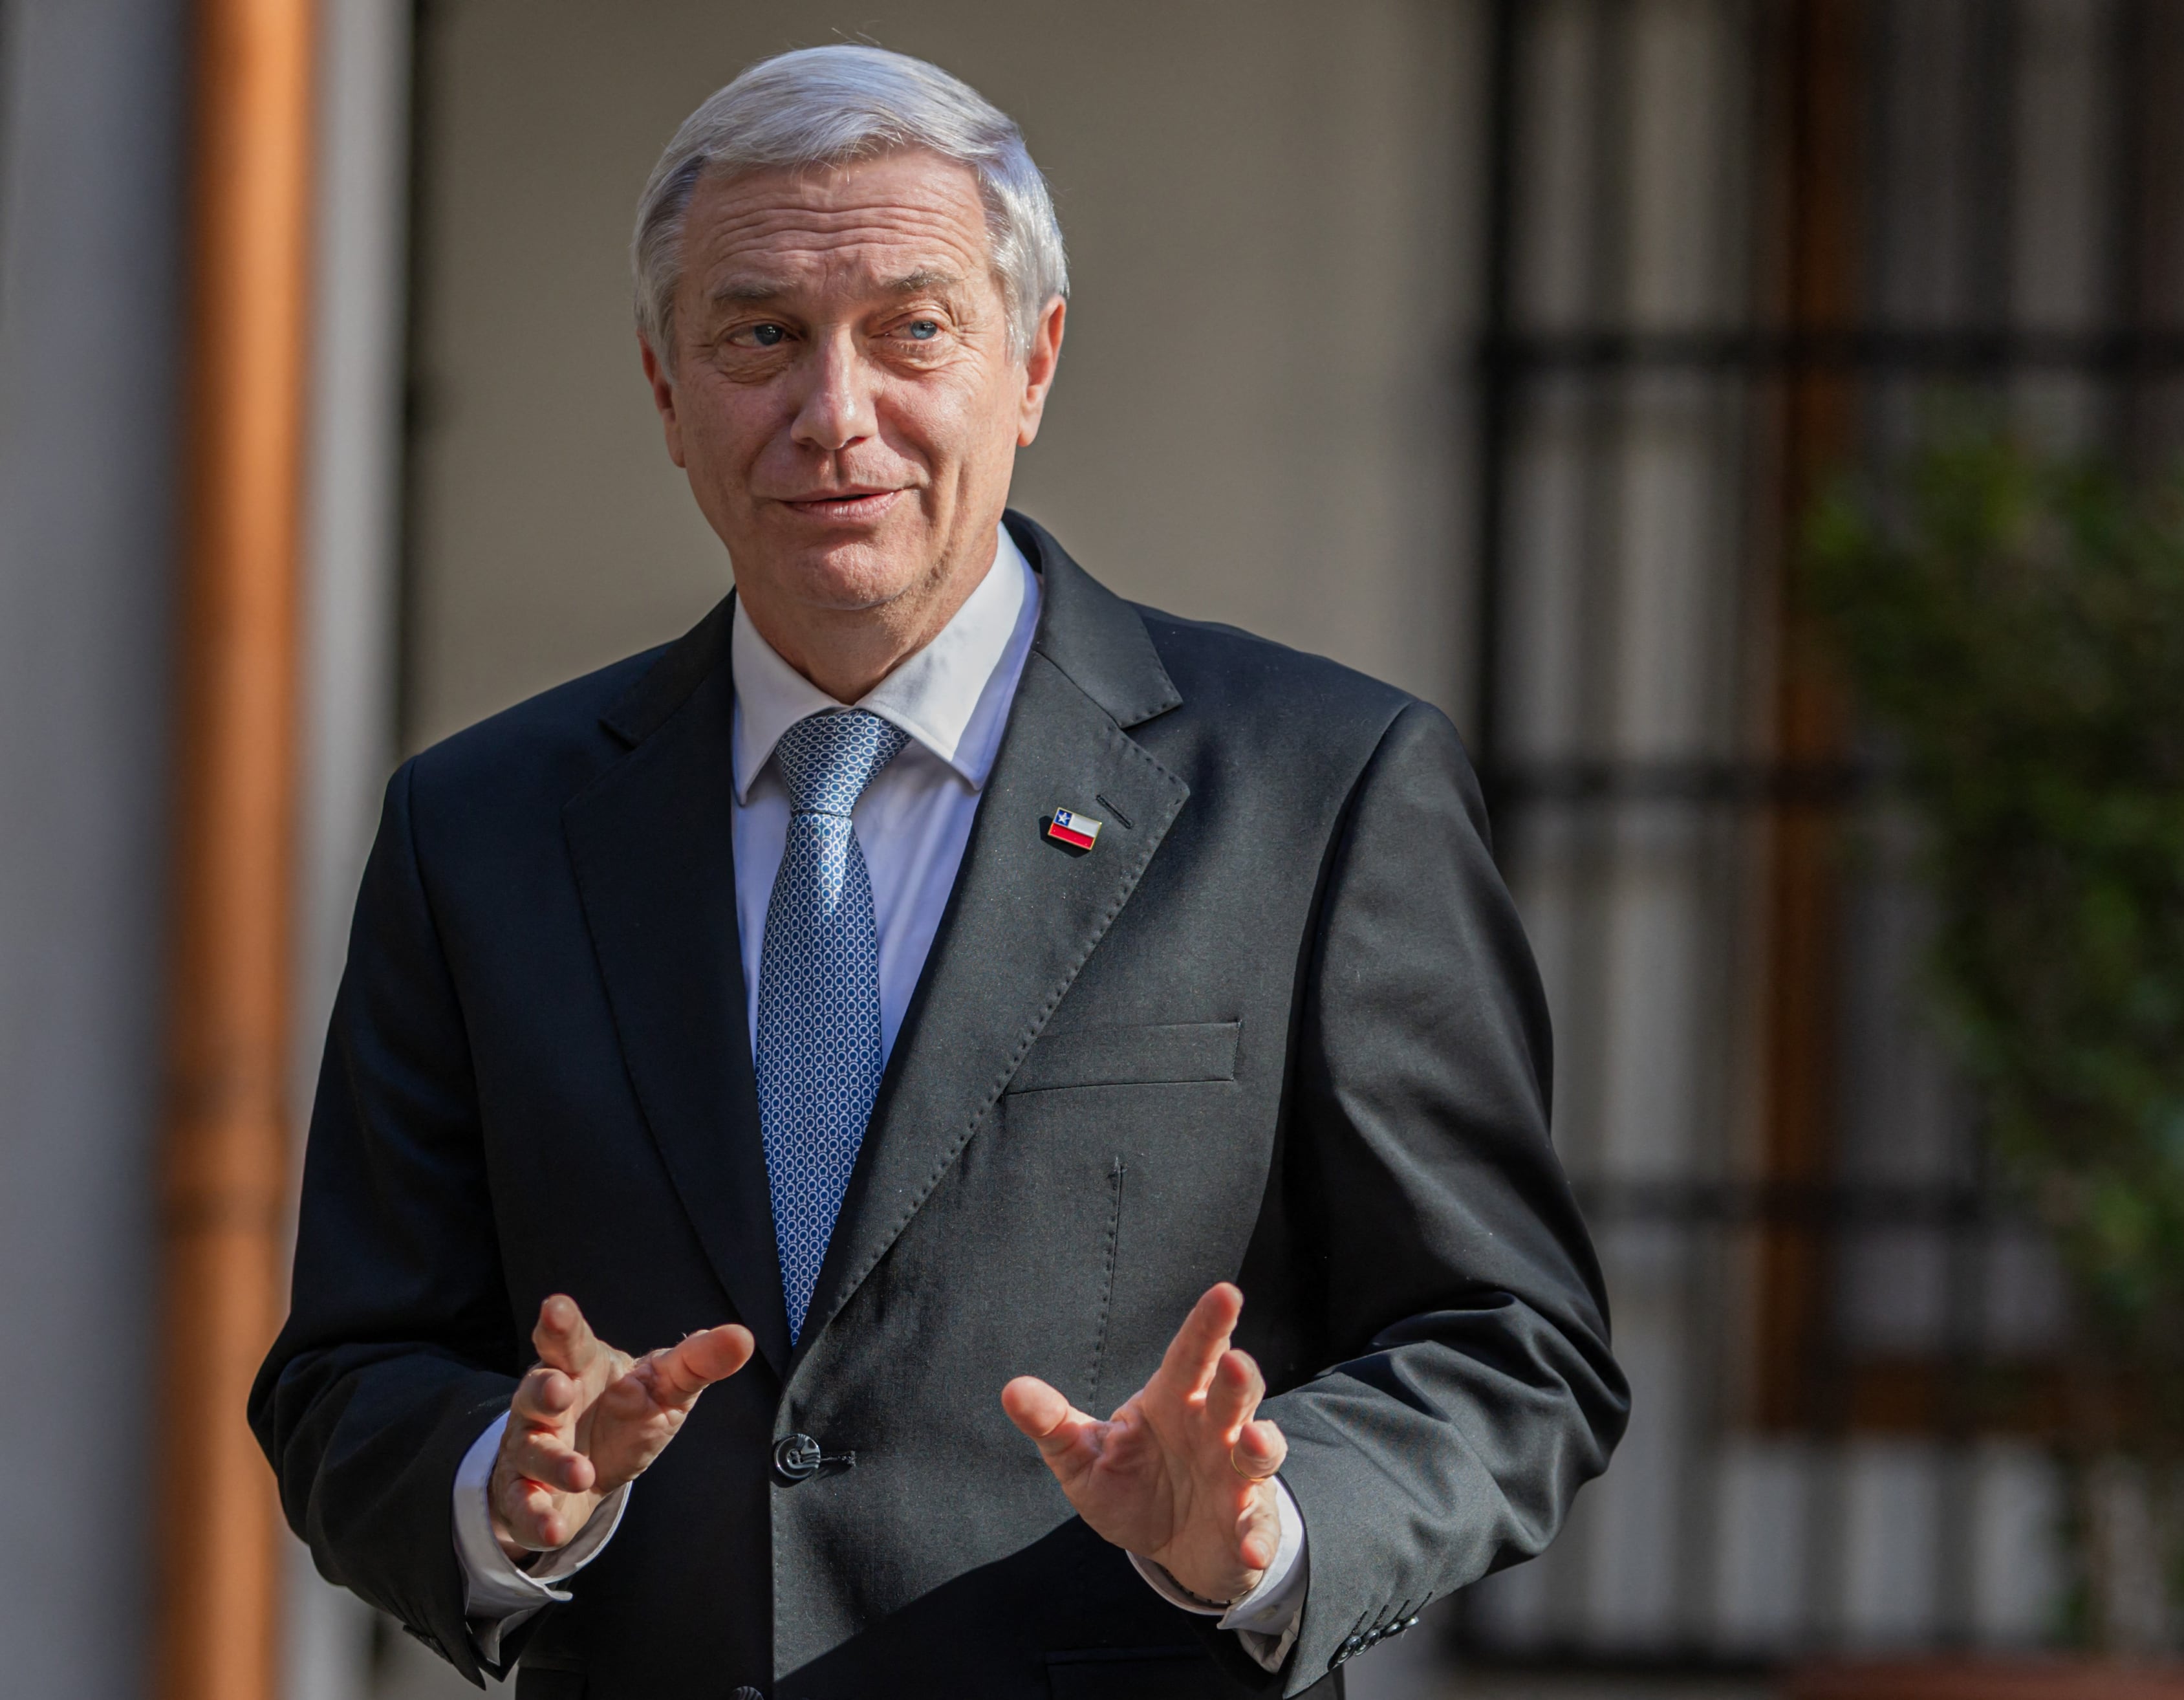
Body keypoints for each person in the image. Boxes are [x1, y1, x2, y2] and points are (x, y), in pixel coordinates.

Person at [252, 44, 1625, 1700]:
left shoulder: (1318, 790)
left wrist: (1268, 1533)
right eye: (761, 336)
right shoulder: (479, 828)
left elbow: (1509, 1349)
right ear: (665, 389)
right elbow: (350, 1374)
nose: (835, 415)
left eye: (911, 329)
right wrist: (503, 1485)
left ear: (1030, 364)